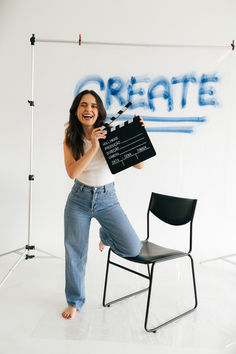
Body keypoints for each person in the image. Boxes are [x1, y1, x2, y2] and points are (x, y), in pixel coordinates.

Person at [62, 90, 144, 320]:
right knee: (75, 253)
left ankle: (105, 236)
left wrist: (138, 135)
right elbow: (72, 172)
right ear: (76, 110)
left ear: (99, 112)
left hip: (108, 199)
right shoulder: (71, 139)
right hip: (78, 199)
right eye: (83, 105)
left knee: (132, 248)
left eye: (93, 106)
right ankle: (75, 301)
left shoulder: (110, 134)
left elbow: (139, 166)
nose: (88, 109)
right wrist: (94, 147)